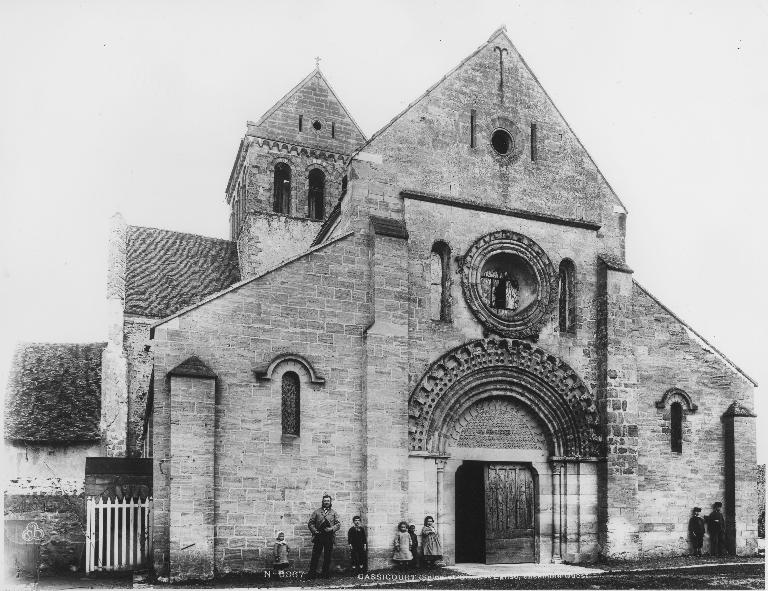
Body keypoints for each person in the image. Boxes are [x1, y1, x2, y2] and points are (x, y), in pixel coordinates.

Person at [307, 494, 341, 579]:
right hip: (319, 536)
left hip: (329, 537)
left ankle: (325, 573)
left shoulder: (333, 513)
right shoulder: (317, 512)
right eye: (325, 501)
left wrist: (331, 529)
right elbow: (310, 523)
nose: (326, 502)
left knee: (327, 556)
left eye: (328, 501)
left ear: (330, 502)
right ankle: (312, 573)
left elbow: (338, 524)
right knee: (315, 555)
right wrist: (315, 531)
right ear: (322, 502)